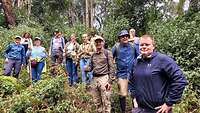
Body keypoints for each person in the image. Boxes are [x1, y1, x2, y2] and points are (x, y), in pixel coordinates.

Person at [129, 35, 187, 113]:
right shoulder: (136, 62)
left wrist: (169, 103)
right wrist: (134, 99)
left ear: (153, 46)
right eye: (141, 45)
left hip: (159, 110)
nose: (144, 47)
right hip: (140, 109)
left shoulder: (163, 60)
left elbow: (180, 80)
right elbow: (131, 81)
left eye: (147, 44)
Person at [112, 29, 138, 113]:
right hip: (121, 74)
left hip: (133, 74)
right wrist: (111, 73)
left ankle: (135, 110)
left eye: (126, 36)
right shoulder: (116, 47)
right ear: (119, 38)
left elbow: (139, 58)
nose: (125, 37)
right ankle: (123, 110)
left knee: (134, 94)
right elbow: (110, 58)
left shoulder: (133, 46)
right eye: (123, 36)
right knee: (122, 95)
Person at [88, 35, 115, 113]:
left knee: (106, 101)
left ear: (103, 43)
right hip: (94, 79)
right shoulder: (93, 55)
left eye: (100, 41)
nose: (98, 43)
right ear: (94, 43)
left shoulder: (107, 53)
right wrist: (86, 68)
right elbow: (90, 67)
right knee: (97, 102)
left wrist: (110, 81)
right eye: (96, 42)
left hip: (104, 78)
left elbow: (112, 67)